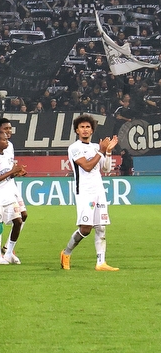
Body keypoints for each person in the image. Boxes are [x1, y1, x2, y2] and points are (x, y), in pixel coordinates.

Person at [61, 115, 119, 272]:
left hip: (99, 191)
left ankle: (101, 262)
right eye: (82, 127)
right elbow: (86, 166)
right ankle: (66, 253)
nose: (85, 130)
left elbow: (106, 169)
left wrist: (107, 152)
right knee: (85, 229)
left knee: (101, 227)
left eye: (88, 127)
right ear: (76, 130)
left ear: (92, 130)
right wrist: (101, 151)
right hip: (85, 192)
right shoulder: (75, 148)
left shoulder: (95, 147)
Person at [0, 131, 26, 265]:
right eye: (4, 140)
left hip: (9, 195)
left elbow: (7, 176)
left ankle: (8, 253)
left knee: (18, 221)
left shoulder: (8, 156)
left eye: (7, 140)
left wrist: (17, 173)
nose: (7, 142)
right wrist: (12, 171)